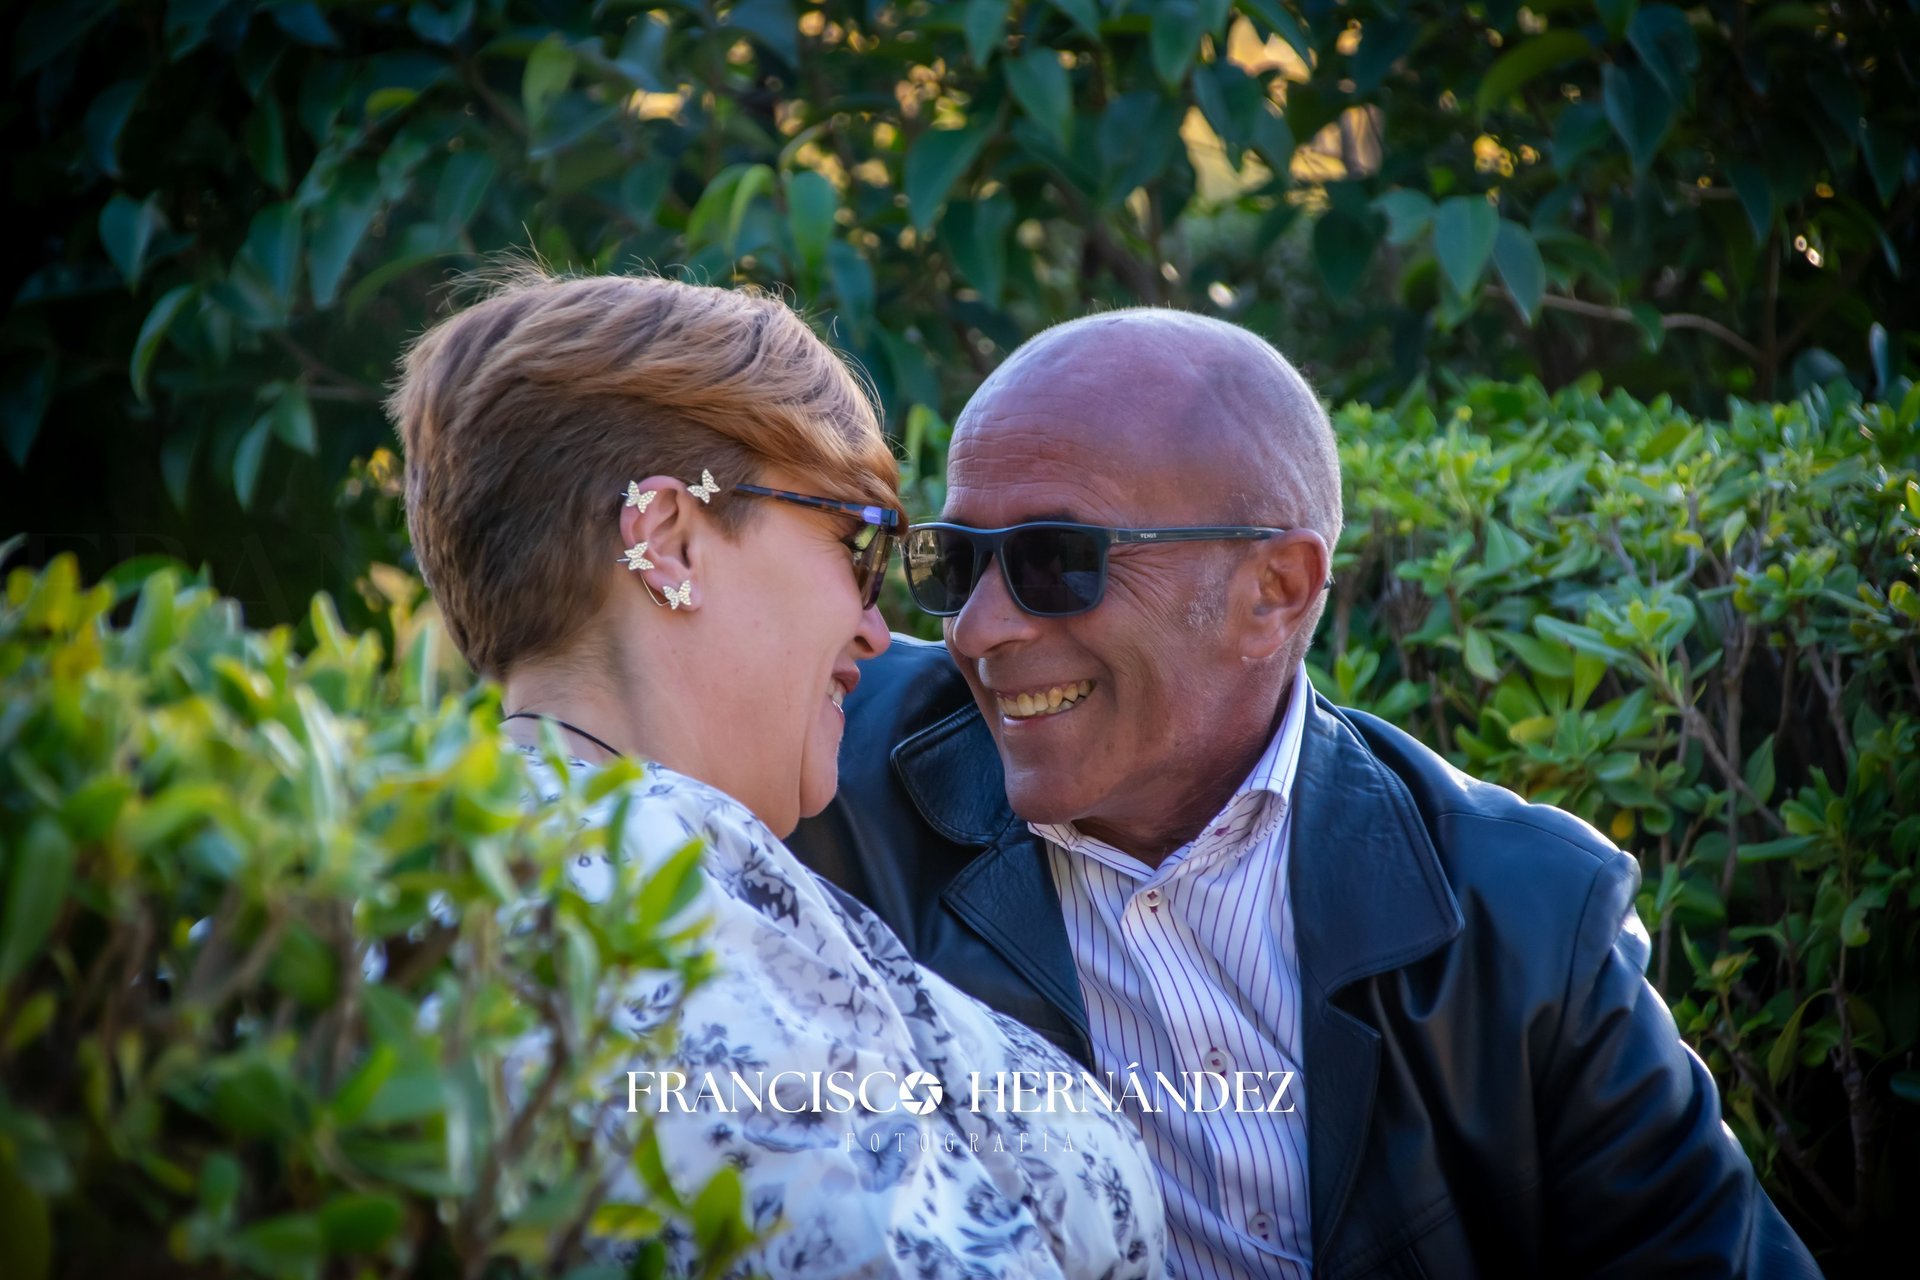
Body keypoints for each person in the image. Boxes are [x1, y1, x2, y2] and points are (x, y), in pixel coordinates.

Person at [787, 309, 1821, 1278]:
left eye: (1059, 562)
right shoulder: (819, 758)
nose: (977, 626)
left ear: (1275, 590)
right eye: (955, 561)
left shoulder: (1529, 922)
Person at [387, 271, 1165, 1278]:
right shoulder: (624, 912)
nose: (880, 628)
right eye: (858, 545)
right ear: (667, 542)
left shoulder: (393, 871)